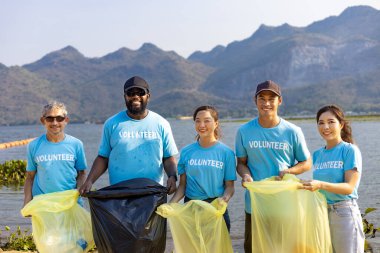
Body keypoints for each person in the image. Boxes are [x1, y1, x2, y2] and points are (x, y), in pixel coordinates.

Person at [235, 80, 312, 252]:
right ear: (255, 101)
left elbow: (307, 162)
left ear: (280, 101)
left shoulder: (292, 131)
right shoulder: (244, 131)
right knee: (253, 249)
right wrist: (246, 176)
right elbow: (241, 163)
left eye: (272, 98)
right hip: (255, 204)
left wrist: (290, 171)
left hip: (284, 204)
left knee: (283, 248)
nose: (266, 103)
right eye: (262, 98)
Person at [79, 76, 178, 195]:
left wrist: (172, 177)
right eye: (131, 93)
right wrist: (89, 181)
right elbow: (103, 157)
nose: (136, 96)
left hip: (152, 193)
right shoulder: (112, 123)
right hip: (119, 193)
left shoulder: (161, 123)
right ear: (125, 96)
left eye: (140, 93)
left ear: (148, 96)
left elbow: (168, 157)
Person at [302, 104, 364, 253]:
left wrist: (320, 185)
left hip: (344, 213)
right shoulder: (316, 155)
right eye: (321, 123)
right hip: (321, 213)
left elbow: (349, 187)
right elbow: (307, 182)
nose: (326, 127)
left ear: (341, 124)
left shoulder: (349, 150)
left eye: (331, 122)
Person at [170, 105, 236, 231]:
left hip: (215, 209)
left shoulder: (226, 153)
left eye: (207, 120)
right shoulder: (186, 152)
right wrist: (171, 205)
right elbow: (182, 186)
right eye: (198, 121)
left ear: (216, 123)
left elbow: (230, 187)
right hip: (191, 209)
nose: (202, 125)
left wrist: (224, 199)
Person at [24, 101, 87, 206]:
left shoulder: (76, 144)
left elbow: (82, 173)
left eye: (59, 118)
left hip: (70, 203)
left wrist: (79, 193)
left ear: (66, 120)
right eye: (49, 118)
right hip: (42, 204)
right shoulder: (33, 145)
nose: (54, 123)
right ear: (43, 121)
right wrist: (27, 201)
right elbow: (30, 177)